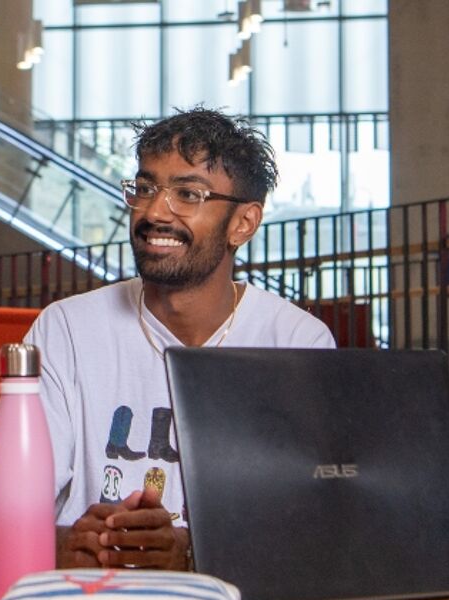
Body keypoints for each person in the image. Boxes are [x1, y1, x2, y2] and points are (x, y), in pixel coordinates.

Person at [24, 108, 336, 571]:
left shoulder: (295, 342)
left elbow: (307, 527)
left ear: (244, 223)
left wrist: (189, 552)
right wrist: (69, 544)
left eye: (188, 194)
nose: (153, 212)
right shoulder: (66, 330)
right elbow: (18, 509)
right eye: (145, 188)